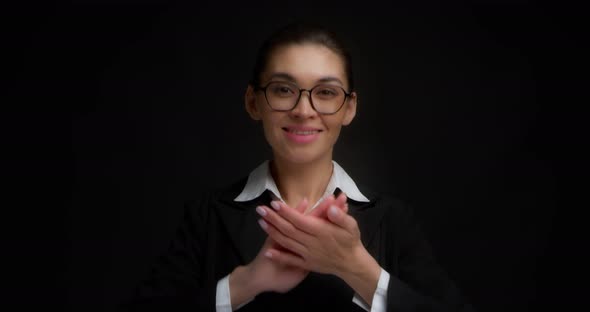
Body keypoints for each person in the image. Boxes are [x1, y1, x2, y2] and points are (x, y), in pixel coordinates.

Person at [122, 21, 475, 312]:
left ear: (349, 108)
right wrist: (246, 282)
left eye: (325, 93)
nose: (304, 110)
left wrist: (359, 270)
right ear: (253, 102)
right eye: (283, 89)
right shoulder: (207, 216)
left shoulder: (393, 220)